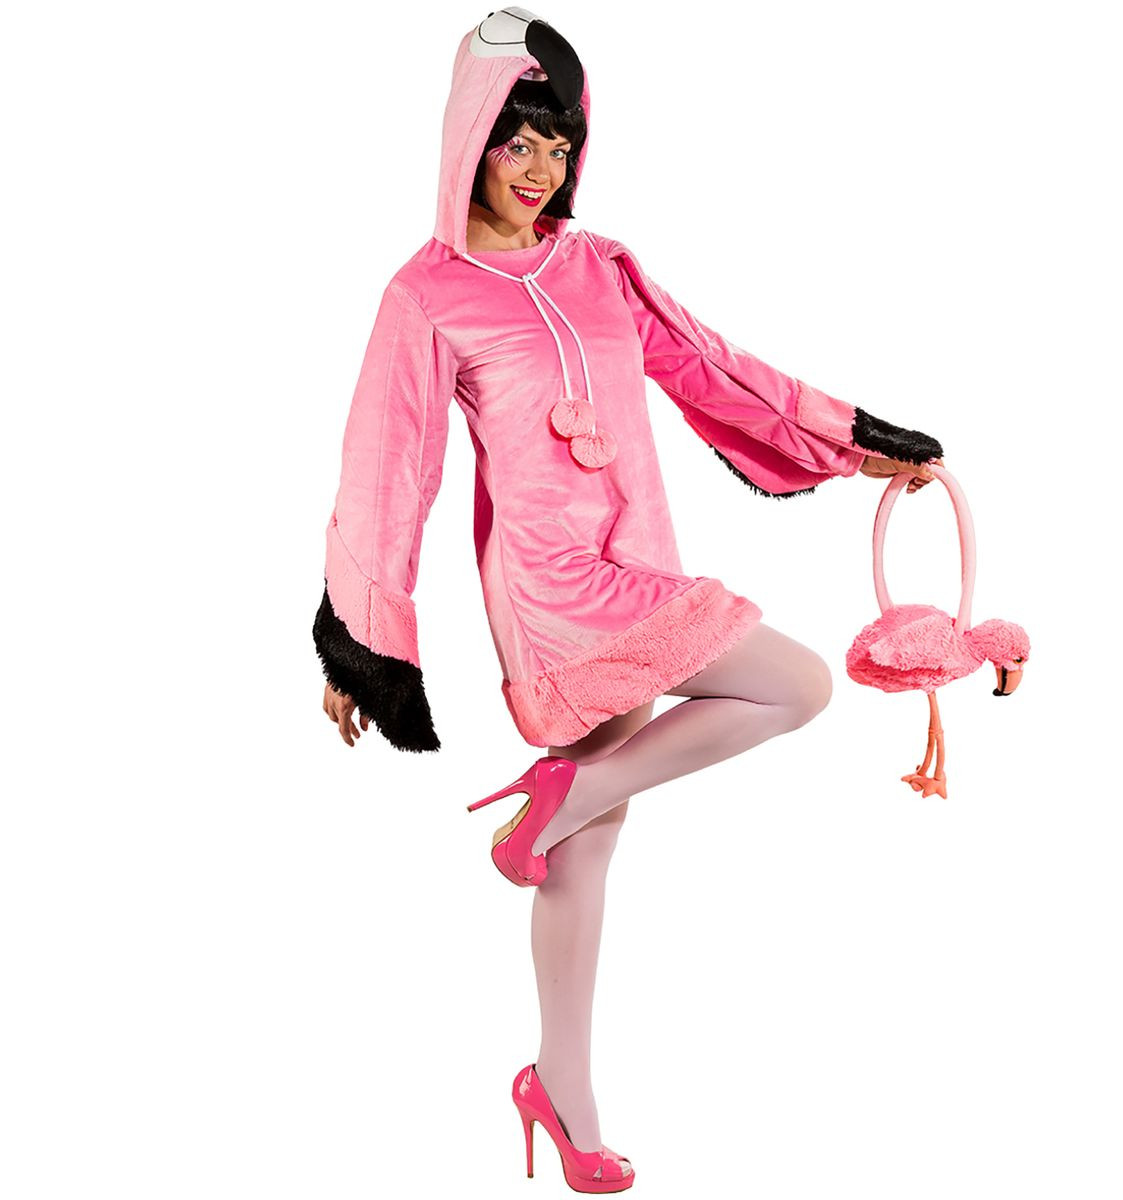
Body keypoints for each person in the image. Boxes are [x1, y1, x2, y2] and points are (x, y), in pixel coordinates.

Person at [313, 8, 944, 1192]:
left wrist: (858, 444)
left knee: (585, 844)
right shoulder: (426, 294)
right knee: (796, 685)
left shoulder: (597, 264)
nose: (539, 168)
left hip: (638, 554)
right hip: (552, 587)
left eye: (558, 145)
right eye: (517, 142)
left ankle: (561, 1092)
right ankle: (560, 805)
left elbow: (712, 368)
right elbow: (388, 467)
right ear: (469, 140)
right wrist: (362, 639)